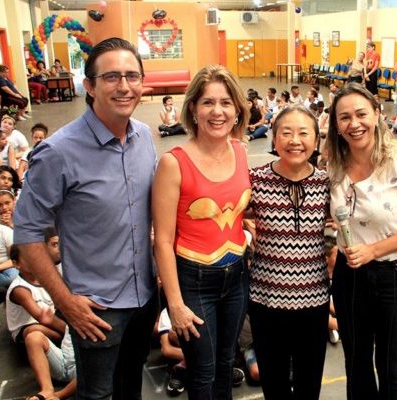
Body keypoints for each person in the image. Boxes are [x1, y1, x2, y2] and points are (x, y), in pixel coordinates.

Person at [14, 37, 158, 399]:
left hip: (143, 300)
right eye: (111, 77)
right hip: (96, 310)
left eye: (131, 76)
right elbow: (27, 233)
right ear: (89, 86)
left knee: (130, 389)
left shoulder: (144, 138)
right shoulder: (58, 152)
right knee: (97, 395)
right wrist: (64, 301)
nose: (124, 86)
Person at [326, 83, 397, 399]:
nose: (354, 123)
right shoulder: (334, 164)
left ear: (377, 114)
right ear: (336, 124)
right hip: (352, 279)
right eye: (344, 117)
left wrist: (373, 249)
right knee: (356, 365)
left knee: (391, 368)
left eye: (361, 114)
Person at [152, 64, 251, 400]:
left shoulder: (240, 150)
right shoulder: (173, 162)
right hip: (194, 281)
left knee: (226, 363)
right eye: (208, 102)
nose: (217, 111)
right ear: (192, 108)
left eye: (225, 102)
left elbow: (235, 207)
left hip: (237, 274)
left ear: (237, 109)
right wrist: (175, 303)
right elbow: (163, 241)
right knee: (203, 372)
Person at [248, 105, 330, 399]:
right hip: (265, 302)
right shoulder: (253, 180)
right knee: (275, 385)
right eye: (286, 132)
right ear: (273, 138)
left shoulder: (327, 184)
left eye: (303, 133)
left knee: (310, 385)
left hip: (315, 301)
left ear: (316, 140)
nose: (295, 140)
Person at [6, 243, 77, 400]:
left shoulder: (46, 279)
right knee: (33, 333)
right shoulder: (20, 288)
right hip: (29, 332)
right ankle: (46, 389)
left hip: (63, 343)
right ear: (16, 264)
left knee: (103, 366)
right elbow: (40, 316)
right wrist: (70, 328)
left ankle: (56, 396)